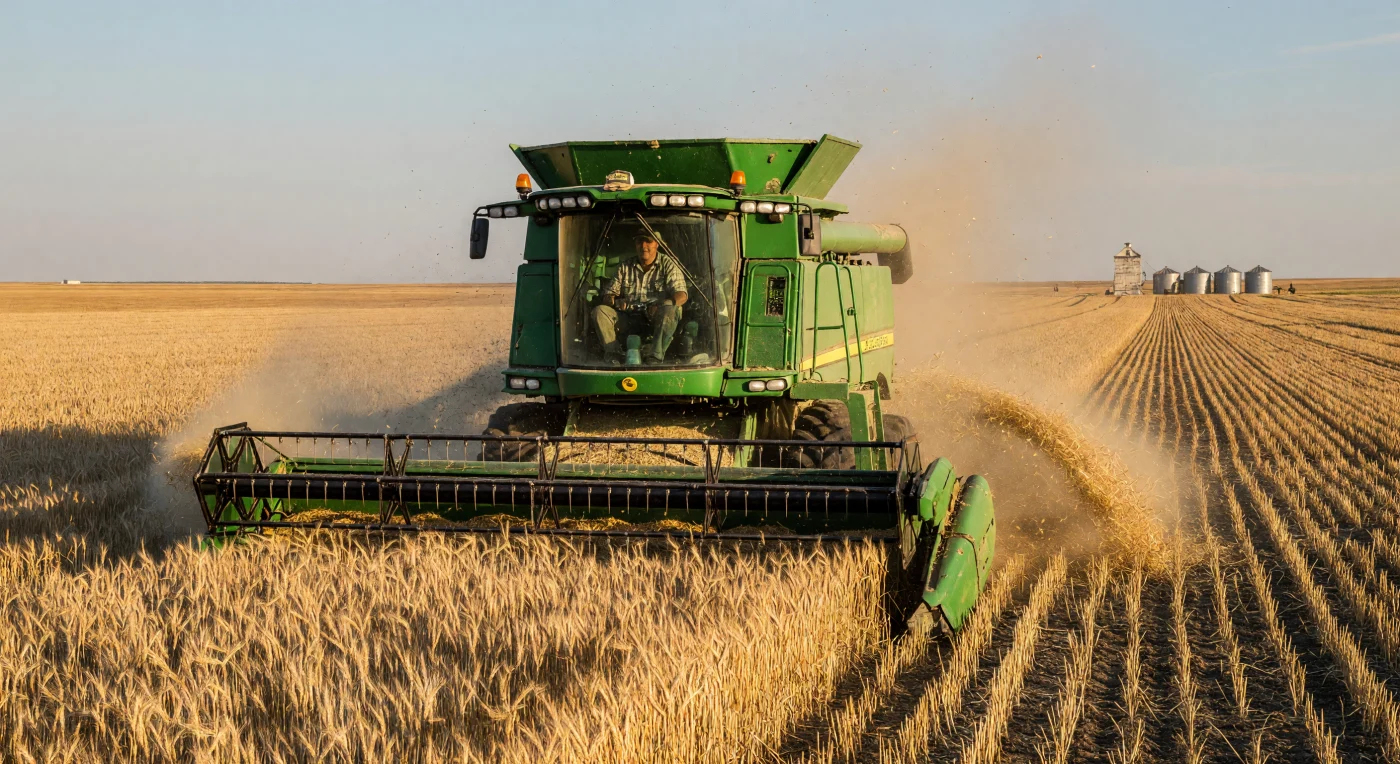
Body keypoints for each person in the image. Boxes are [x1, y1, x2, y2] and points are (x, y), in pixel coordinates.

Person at [593, 231, 689, 363]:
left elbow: (682, 295)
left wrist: (661, 305)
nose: (643, 246)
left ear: (657, 244)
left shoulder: (669, 264)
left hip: (657, 320)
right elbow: (607, 295)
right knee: (600, 311)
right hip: (628, 318)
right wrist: (615, 301)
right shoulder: (624, 267)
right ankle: (614, 355)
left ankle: (655, 356)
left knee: (672, 310)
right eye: (639, 242)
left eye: (648, 241)